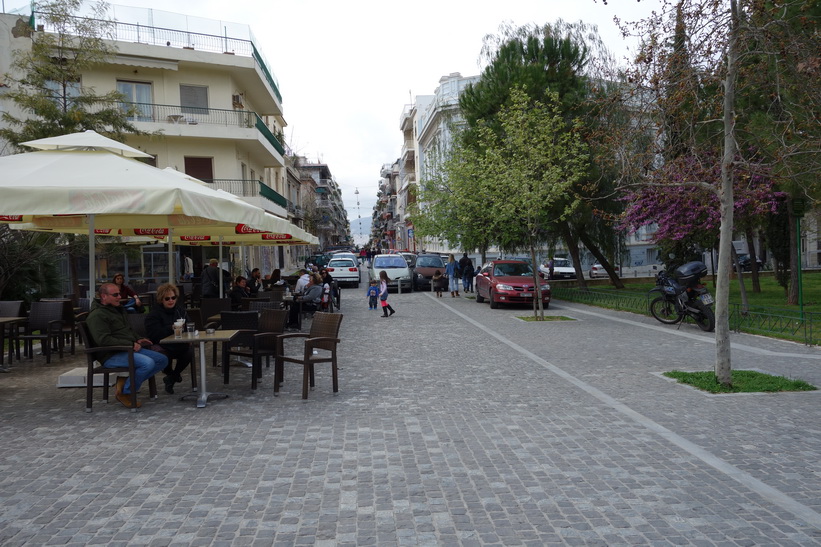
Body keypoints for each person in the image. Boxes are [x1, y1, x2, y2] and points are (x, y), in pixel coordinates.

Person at [85, 283, 168, 409]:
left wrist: (138, 338)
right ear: (104, 296)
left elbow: (126, 331)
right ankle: (126, 392)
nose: (120, 296)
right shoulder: (97, 315)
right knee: (147, 363)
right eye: (115, 294)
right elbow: (103, 340)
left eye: (119, 293)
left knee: (162, 360)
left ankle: (125, 384)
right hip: (110, 354)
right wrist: (129, 344)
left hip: (126, 350)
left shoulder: (116, 309)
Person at [145, 283, 194, 395]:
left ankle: (172, 376)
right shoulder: (154, 314)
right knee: (163, 356)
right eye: (167, 298)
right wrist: (171, 328)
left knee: (189, 352)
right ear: (161, 299)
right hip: (162, 345)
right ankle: (171, 374)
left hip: (178, 344)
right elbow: (154, 334)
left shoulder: (180, 311)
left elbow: (188, 324)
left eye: (173, 298)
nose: (171, 300)